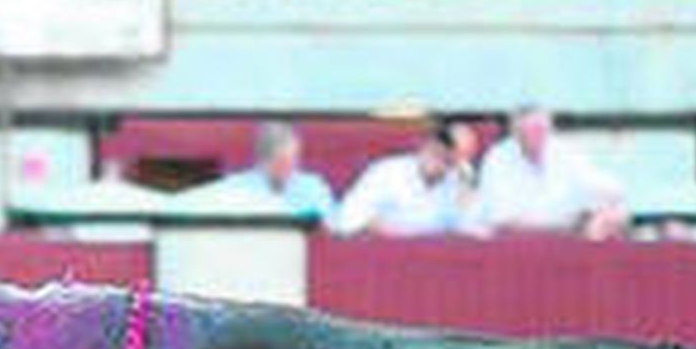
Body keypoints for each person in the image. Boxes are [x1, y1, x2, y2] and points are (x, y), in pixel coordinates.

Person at [468, 106, 627, 239]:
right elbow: (505, 223)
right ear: (516, 133)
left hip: (564, 237)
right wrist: (567, 227)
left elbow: (608, 190)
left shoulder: (565, 152)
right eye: (529, 131)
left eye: (542, 130)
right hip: (512, 243)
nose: (538, 136)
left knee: (612, 216)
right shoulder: (498, 158)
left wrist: (606, 212)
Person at [337, 123, 468, 237]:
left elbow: (468, 231)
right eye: (442, 140)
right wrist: (380, 229)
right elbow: (346, 221)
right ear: (427, 141)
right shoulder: (387, 172)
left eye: (451, 152)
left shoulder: (459, 183)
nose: (443, 150)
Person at [211, 121, 335, 228]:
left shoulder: (314, 186)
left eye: (292, 161)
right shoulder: (235, 187)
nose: (287, 168)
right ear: (262, 158)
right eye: (280, 161)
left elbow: (332, 227)